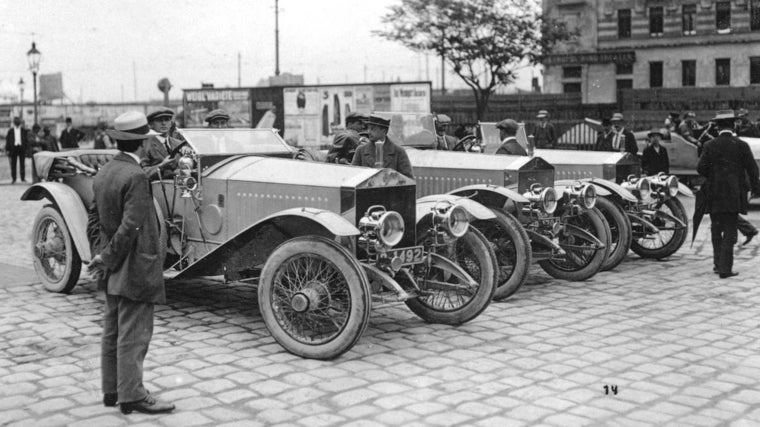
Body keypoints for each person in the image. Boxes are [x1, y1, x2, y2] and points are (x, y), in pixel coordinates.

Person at [87, 111, 175, 415]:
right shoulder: (136, 176)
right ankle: (133, 395)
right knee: (135, 335)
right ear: (142, 143)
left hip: (112, 267)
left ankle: (113, 390)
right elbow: (132, 226)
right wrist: (109, 256)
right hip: (135, 264)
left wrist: (101, 256)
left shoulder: (105, 171)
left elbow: (95, 218)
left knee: (112, 330)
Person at [696, 112, 760, 278]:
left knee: (716, 230)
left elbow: (700, 168)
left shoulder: (709, 145)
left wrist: (714, 175)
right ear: (733, 126)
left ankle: (717, 265)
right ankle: (725, 268)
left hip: (714, 194)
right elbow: (753, 170)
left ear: (717, 127)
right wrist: (755, 189)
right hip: (733, 195)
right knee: (730, 231)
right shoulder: (741, 145)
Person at [352, 113, 413, 179]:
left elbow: (408, 180)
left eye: (373, 129)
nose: (369, 132)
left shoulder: (398, 152)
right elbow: (352, 176)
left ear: (384, 131)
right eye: (368, 129)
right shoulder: (361, 151)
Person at [141, 108, 189, 180]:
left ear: (171, 123)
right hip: (157, 189)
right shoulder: (146, 145)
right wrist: (161, 166)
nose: (163, 123)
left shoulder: (179, 144)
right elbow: (142, 173)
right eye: (159, 120)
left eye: (167, 119)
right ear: (151, 124)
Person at [5, 116, 29, 183]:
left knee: (22, 164)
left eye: (18, 121)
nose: (17, 122)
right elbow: (8, 140)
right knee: (13, 164)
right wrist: (7, 149)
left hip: (21, 148)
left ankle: (23, 178)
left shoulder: (23, 130)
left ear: (20, 122)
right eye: (16, 121)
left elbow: (26, 140)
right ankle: (14, 178)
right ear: (14, 123)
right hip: (13, 148)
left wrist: (26, 148)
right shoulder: (10, 131)